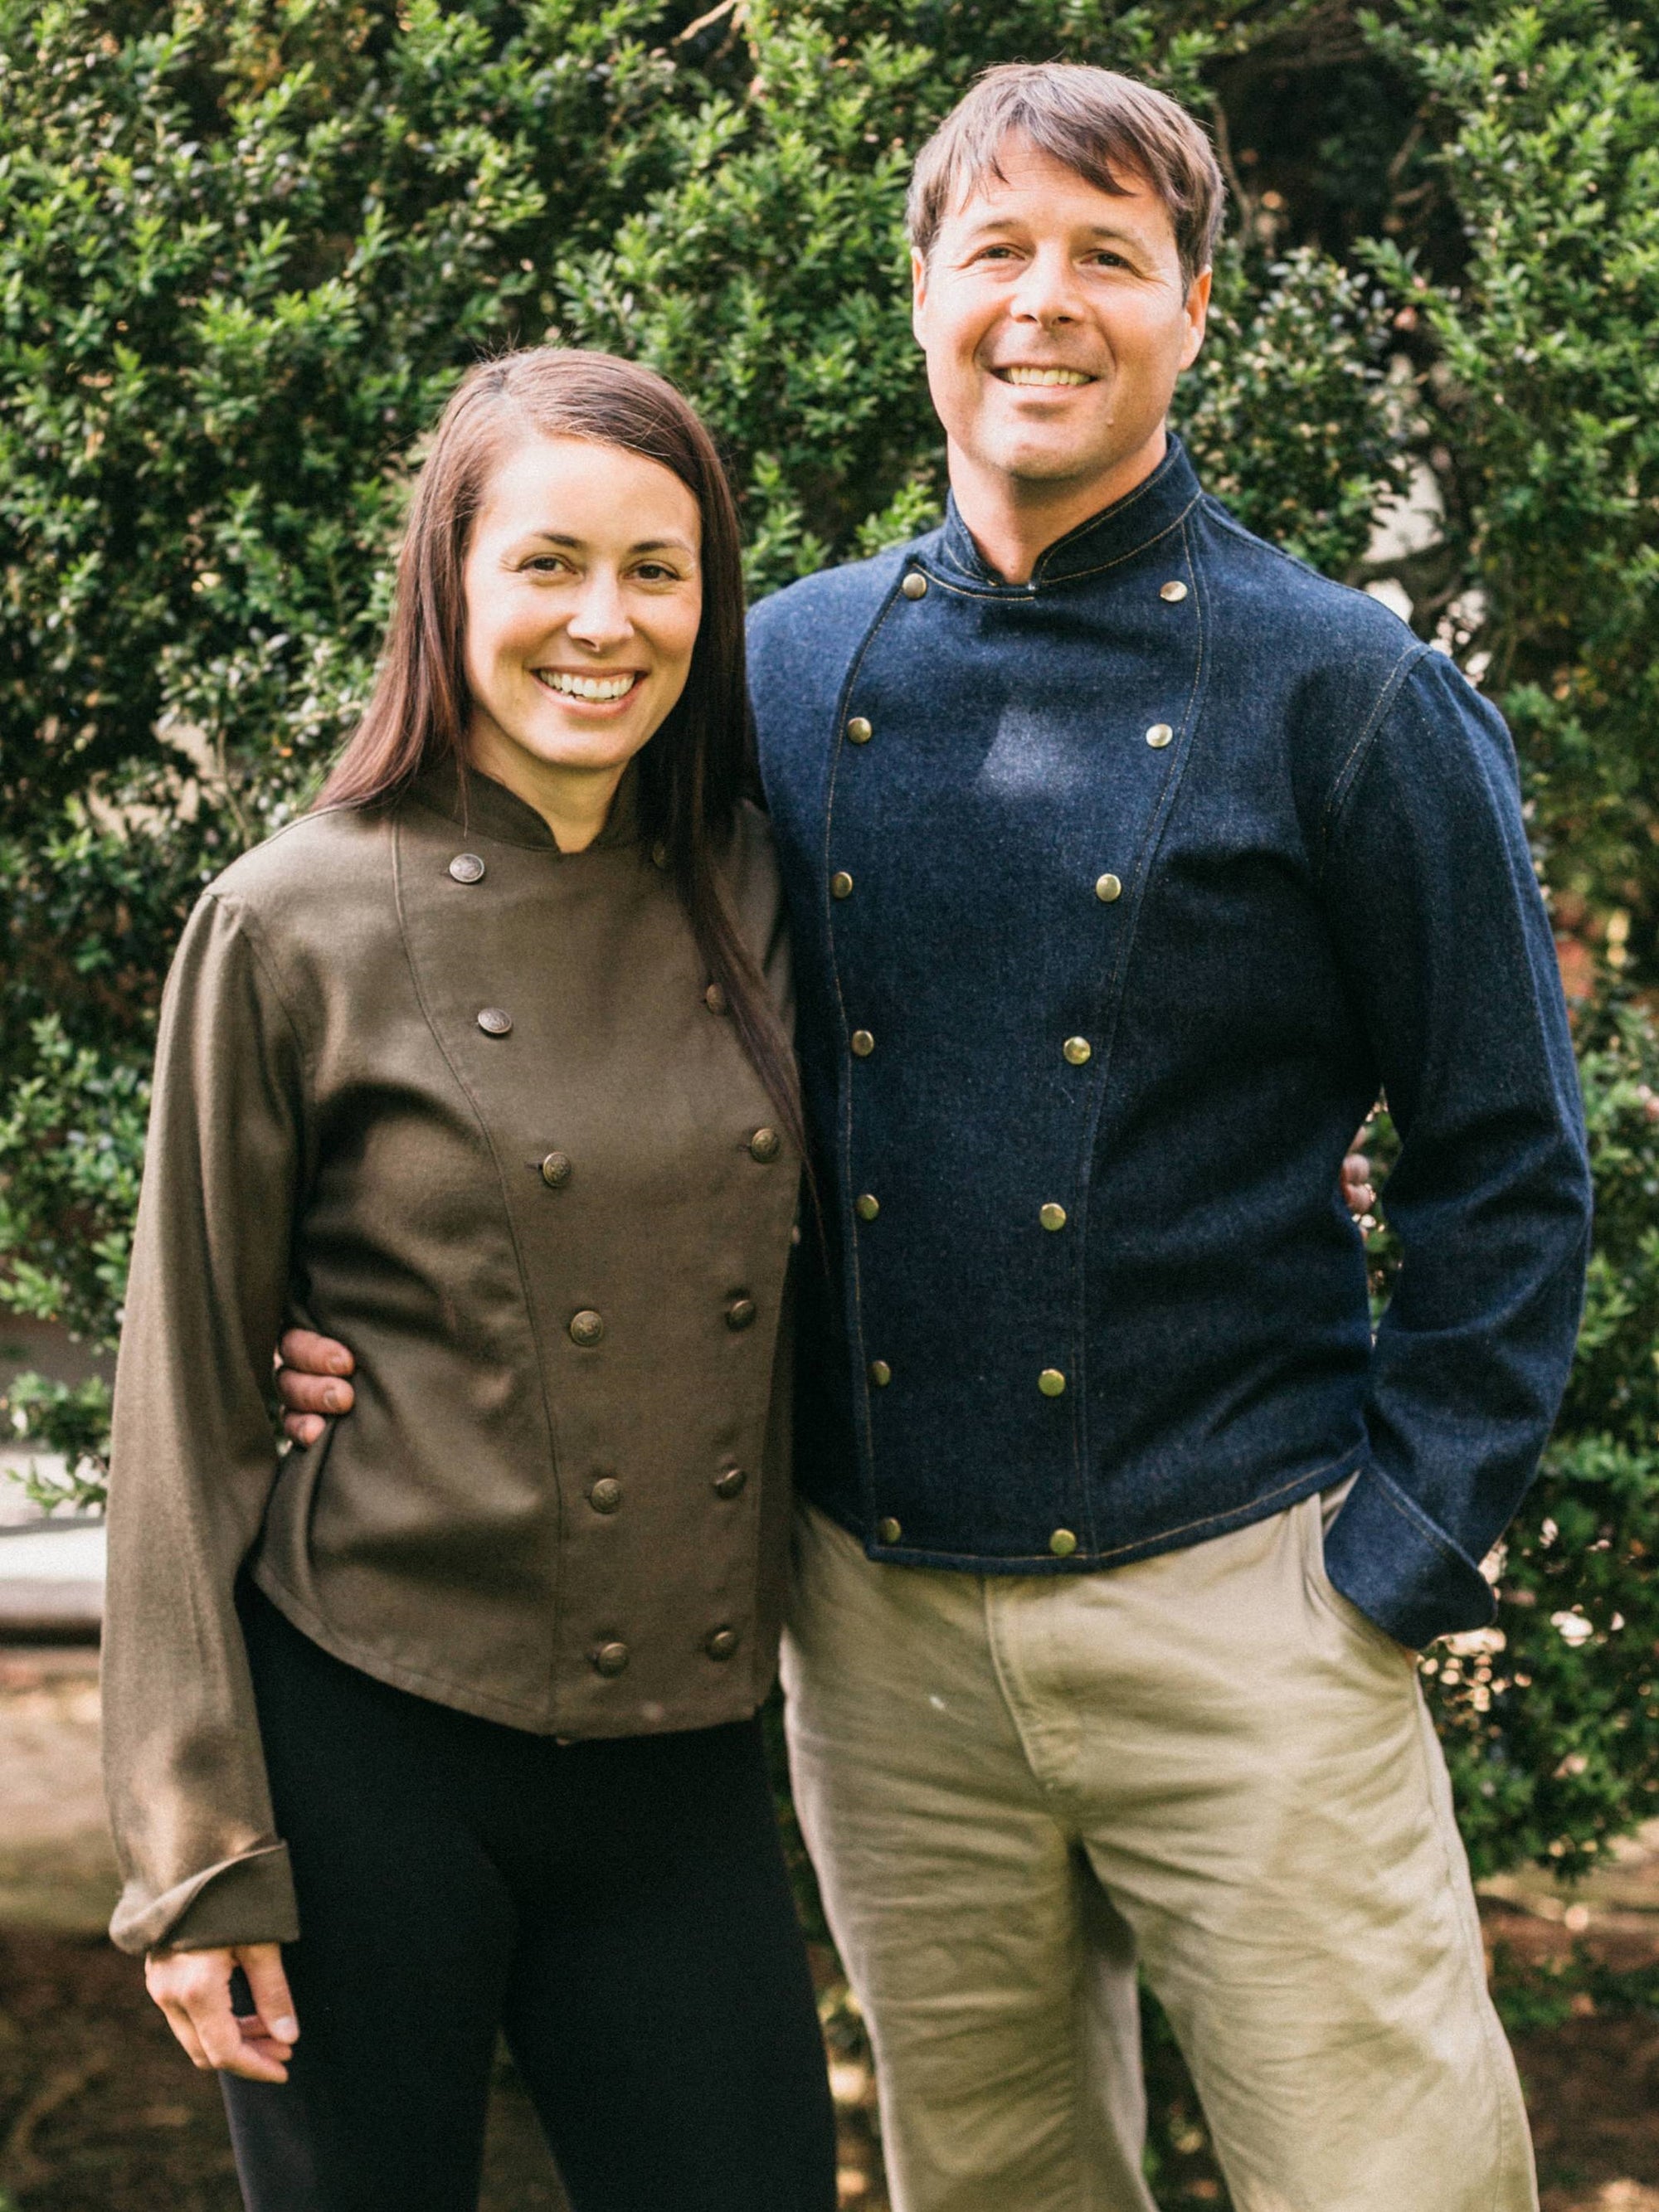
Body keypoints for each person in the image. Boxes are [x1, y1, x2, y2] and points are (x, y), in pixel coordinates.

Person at [279, 61, 1593, 2212]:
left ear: (1193, 311)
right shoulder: (777, 671)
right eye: (996, 249)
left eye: (1108, 254)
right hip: (876, 1633)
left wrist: (1406, 1551)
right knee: (990, 2185)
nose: (1043, 302)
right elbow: (548, 1023)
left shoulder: (1346, 690)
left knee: (1396, 2180)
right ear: (920, 294)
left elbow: (1504, 1151)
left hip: (1250, 1598)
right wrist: (328, 1307)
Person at [101, 348, 838, 2212]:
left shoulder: (760, 884)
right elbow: (184, 1399)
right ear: (449, 580)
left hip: (686, 1766)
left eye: (657, 571)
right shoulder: (291, 918)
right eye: (549, 564)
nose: (605, 622)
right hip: (370, 1749)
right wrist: (198, 1855)